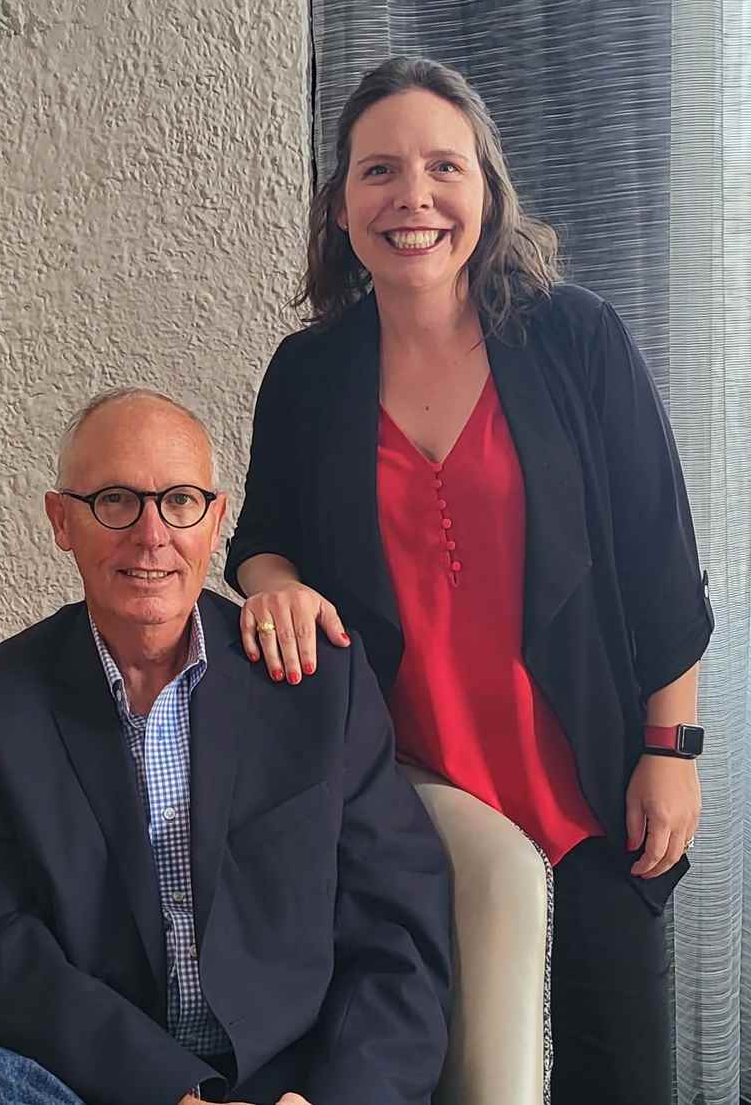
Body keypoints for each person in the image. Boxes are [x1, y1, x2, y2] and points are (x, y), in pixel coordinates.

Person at [228, 56, 713, 1105]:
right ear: (341, 205)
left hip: (590, 792)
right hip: (408, 810)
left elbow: (663, 563)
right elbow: (259, 541)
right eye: (379, 171)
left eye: (444, 167)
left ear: (486, 191)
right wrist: (275, 585)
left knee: (620, 1076)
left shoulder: (576, 339)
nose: (413, 197)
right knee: (439, 1075)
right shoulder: (307, 375)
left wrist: (670, 751)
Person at [0, 388, 453, 1105]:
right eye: (116, 501)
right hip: (104, 1084)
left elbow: (398, 927)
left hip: (293, 1084)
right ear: (61, 521)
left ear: (215, 521)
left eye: (180, 501)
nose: (152, 534)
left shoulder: (317, 683)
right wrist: (170, 1092)